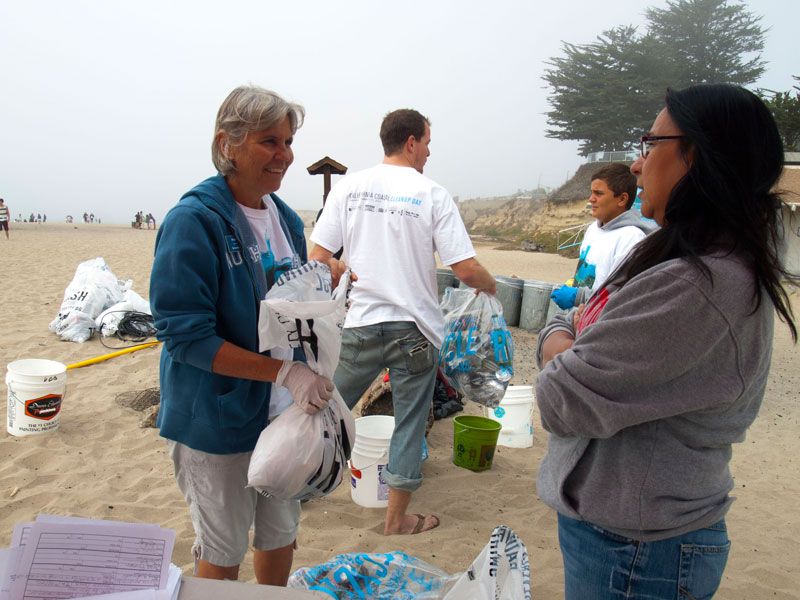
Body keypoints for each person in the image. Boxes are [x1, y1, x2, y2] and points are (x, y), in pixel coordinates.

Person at [534, 84, 797, 599]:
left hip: (638, 549)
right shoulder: (689, 258)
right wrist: (572, 338)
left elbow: (562, 398)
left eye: (648, 144)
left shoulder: (696, 283)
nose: (635, 164)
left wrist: (558, 336)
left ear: (696, 155)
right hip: (633, 535)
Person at [149, 85, 334, 585]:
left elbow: (286, 307)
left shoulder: (287, 220)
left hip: (281, 416)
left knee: (280, 532)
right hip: (216, 419)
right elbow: (185, 337)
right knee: (223, 545)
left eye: (289, 140)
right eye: (269, 141)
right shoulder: (194, 222)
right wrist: (284, 371)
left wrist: (328, 295)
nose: (285, 155)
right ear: (227, 144)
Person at [310, 108, 497, 536]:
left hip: (360, 324)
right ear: (411, 141)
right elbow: (465, 269)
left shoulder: (349, 188)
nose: (429, 153)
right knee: (409, 424)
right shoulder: (432, 193)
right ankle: (396, 520)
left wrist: (344, 267)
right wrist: (491, 287)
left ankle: (296, 487)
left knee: (322, 408)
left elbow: (317, 259)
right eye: (427, 143)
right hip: (415, 330)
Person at [550, 163, 657, 309]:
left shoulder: (631, 238)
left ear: (622, 199)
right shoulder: (593, 229)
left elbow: (622, 296)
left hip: (602, 325)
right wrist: (574, 284)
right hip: (580, 320)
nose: (591, 199)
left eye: (598, 193)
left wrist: (579, 296)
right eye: (591, 192)